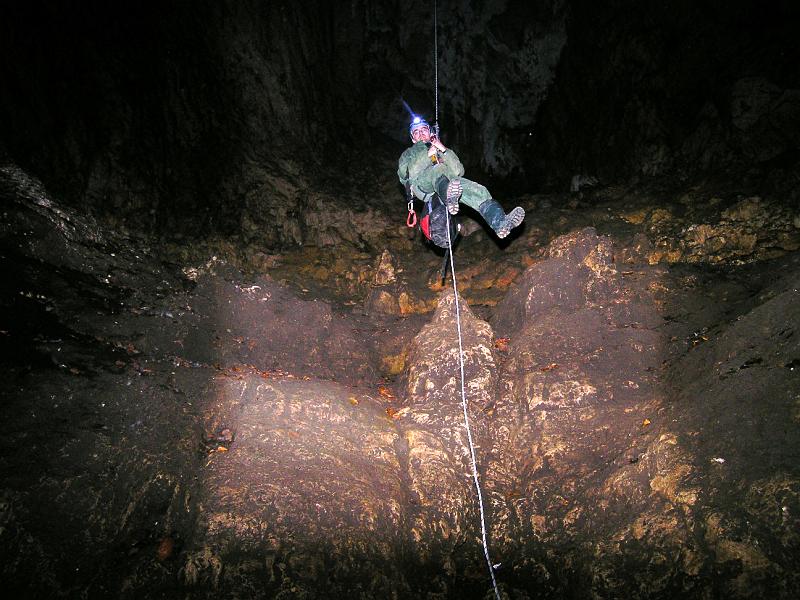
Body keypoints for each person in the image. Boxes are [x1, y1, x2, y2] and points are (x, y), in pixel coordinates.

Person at [397, 117, 525, 239]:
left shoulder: (438, 147)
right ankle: (449, 195)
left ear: (430, 132)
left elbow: (458, 171)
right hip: (422, 185)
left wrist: (443, 149)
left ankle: (501, 223)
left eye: (424, 129)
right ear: (413, 139)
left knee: (479, 190)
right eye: (416, 132)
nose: (421, 133)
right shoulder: (408, 154)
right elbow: (406, 173)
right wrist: (427, 156)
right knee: (439, 168)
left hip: (450, 184)